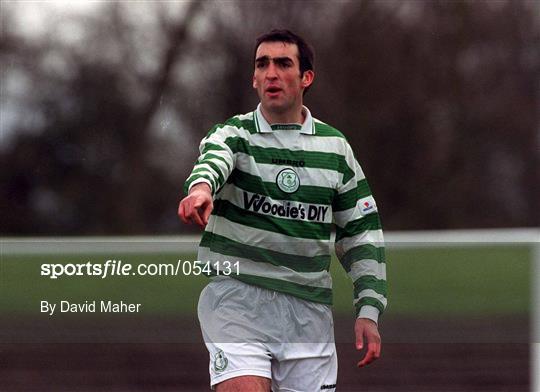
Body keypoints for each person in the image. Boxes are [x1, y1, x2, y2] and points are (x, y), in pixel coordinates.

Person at [178, 29, 387, 392]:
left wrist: (368, 309)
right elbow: (212, 161)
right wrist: (200, 189)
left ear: (306, 77)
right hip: (238, 299)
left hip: (308, 312)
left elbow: (361, 232)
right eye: (263, 64)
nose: (271, 72)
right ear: (254, 78)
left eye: (283, 63)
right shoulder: (234, 135)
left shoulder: (336, 149)